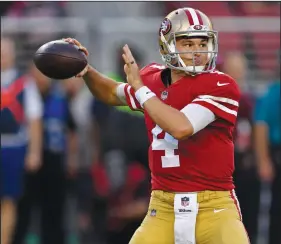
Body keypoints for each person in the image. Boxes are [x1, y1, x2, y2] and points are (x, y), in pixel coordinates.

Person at [64, 7, 249, 244]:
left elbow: (181, 127)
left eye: (203, 43)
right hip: (163, 208)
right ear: (168, 45)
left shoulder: (221, 85)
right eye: (188, 44)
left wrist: (140, 89)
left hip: (214, 207)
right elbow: (112, 92)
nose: (197, 52)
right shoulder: (151, 79)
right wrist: (87, 71)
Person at [12, 66, 78, 244]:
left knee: (54, 210)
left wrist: (71, 159)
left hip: (54, 160)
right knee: (23, 209)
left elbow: (71, 130)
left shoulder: (60, 97)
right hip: (28, 162)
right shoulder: (22, 95)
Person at [1, 36, 43, 244]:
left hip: (13, 147)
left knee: (9, 201)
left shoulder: (24, 83)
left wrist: (34, 152)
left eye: (5, 51)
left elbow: (34, 119)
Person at [222, 52, 260, 244]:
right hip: (222, 167)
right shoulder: (216, 99)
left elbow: (257, 130)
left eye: (240, 70)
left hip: (244, 164)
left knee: (247, 214)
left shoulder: (249, 101)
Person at [253, 80, 281, 244]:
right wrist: (263, 160)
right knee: (277, 209)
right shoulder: (272, 93)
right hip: (277, 154)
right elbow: (260, 125)